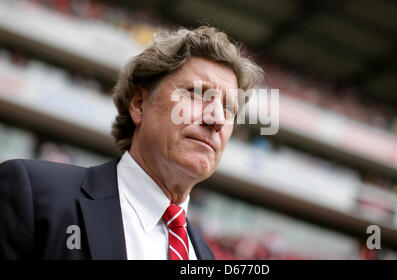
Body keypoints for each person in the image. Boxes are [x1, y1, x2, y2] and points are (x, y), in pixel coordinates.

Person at [0, 26, 264, 260]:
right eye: (196, 94)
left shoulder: (205, 257)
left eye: (229, 108)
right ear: (139, 104)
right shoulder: (34, 194)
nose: (216, 118)